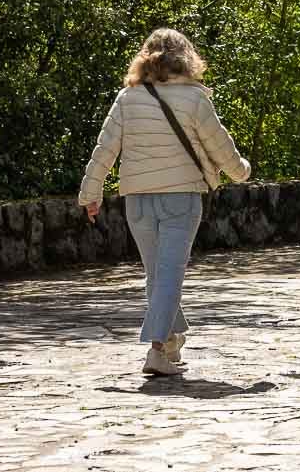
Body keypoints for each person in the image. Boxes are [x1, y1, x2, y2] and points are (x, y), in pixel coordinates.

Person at [78, 28, 251, 376]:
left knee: (157, 274)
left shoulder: (127, 98)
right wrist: (241, 171)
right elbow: (220, 146)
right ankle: (156, 350)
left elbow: (105, 149)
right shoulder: (194, 98)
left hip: (137, 199)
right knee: (168, 274)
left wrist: (90, 194)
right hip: (180, 197)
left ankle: (172, 339)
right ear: (187, 58)